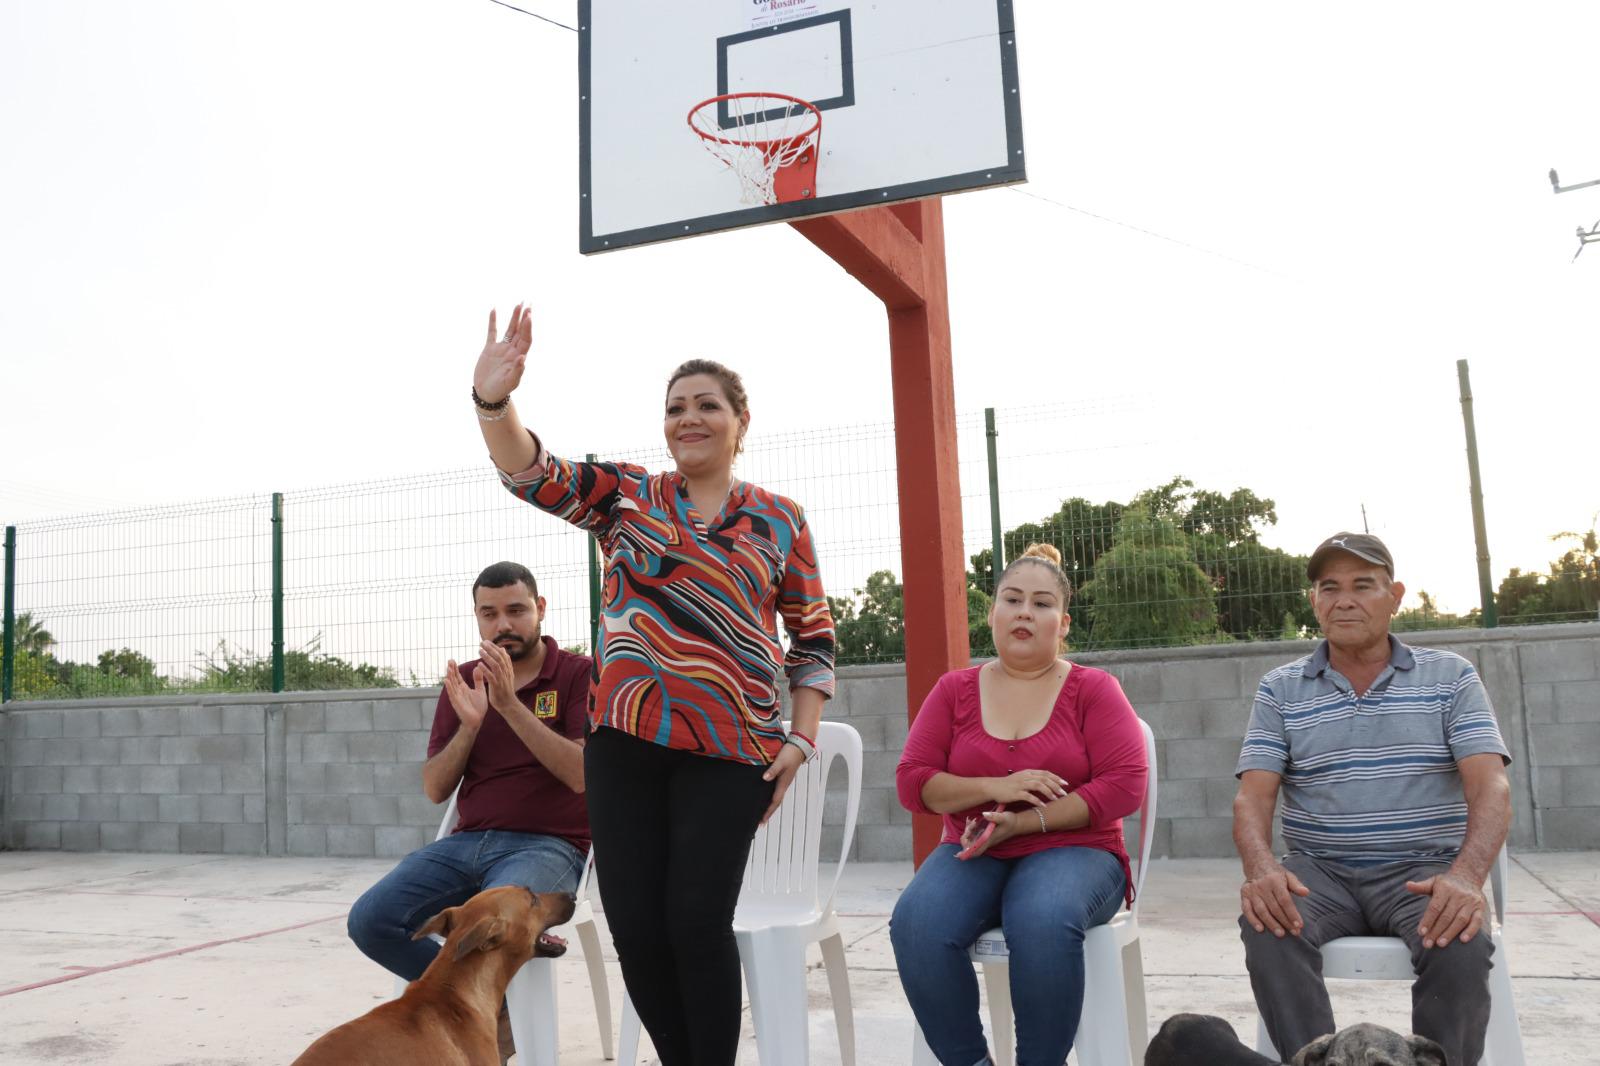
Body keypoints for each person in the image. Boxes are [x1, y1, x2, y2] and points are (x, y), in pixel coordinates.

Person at [467, 304, 836, 1066]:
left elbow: (814, 638)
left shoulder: (779, 520)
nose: (688, 418)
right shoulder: (630, 496)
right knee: (636, 928)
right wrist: (493, 402)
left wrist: (800, 738)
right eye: (675, 408)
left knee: (695, 919)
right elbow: (532, 472)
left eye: (707, 405)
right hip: (625, 746)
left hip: (732, 750)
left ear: (741, 421)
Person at [1233, 532, 1512, 1065]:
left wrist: (1465, 876)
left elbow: (1490, 786)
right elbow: (1252, 798)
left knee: (1459, 937)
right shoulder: (1281, 688)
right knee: (1267, 919)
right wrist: (1261, 868)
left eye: (1363, 585)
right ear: (1314, 601)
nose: (1344, 600)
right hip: (1321, 875)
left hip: (1423, 872)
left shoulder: (1450, 677)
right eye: (1328, 587)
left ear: (1395, 595)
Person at [892, 543, 1148, 1066]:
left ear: (1063, 623)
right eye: (1012, 599)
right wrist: (995, 787)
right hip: (976, 849)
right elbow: (912, 783)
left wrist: (1029, 820)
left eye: (1041, 603)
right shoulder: (953, 690)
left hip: (1079, 849)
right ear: (993, 614)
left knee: (1041, 915)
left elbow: (1125, 785)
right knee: (917, 923)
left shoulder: (1093, 690)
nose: (1025, 612)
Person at [346, 560, 591, 1062]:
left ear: (540, 610)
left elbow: (582, 775)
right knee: (371, 920)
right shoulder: (463, 682)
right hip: (465, 842)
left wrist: (510, 707)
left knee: (503, 926)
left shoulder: (578, 675)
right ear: (477, 619)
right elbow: (436, 789)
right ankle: (485, 1016)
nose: (503, 625)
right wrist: (472, 726)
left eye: (516, 610)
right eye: (490, 614)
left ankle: (477, 1026)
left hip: (550, 844)